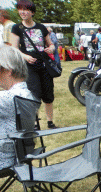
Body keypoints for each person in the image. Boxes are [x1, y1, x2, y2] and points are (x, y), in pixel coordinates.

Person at [10, 0, 58, 129]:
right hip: (29, 67)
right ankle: (35, 123)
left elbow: (51, 44)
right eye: (20, 9)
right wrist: (25, 56)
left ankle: (50, 122)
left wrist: (51, 48)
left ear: (32, 12)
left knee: (48, 94)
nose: (22, 12)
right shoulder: (17, 28)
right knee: (34, 93)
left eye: (25, 9)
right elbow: (14, 48)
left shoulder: (41, 27)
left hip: (44, 65)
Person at [0, 46, 36, 170]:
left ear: (8, 70)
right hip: (20, 154)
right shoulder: (26, 94)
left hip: (4, 158)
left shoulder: (6, 98)